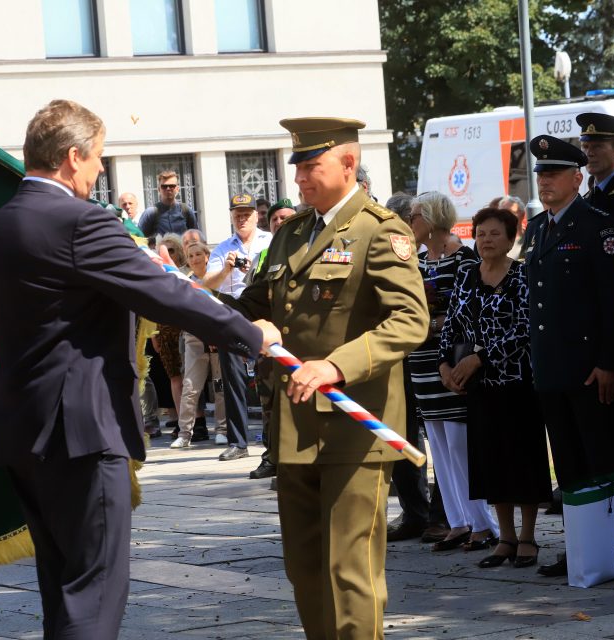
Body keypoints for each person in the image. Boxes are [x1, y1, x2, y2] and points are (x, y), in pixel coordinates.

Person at [0, 99, 279, 639]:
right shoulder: (77, 220)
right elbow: (166, 295)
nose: (100, 171)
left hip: (27, 430)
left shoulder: (3, 221)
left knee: (64, 591)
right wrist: (252, 335)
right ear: (72, 157)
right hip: (81, 432)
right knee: (93, 596)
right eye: (97, 158)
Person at [227, 117, 429, 639]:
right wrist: (191, 298)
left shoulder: (380, 230)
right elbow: (253, 306)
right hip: (293, 428)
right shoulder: (292, 233)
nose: (300, 180)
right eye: (298, 169)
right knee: (305, 568)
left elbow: (410, 320)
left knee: (350, 572)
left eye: (311, 167)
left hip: (353, 427)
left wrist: (336, 365)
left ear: (348, 163)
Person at [523, 135, 614, 579]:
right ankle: (581, 547)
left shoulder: (597, 226)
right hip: (552, 368)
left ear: (577, 177)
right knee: (567, 465)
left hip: (589, 369)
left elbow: (612, 302)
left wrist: (609, 362)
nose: (545, 182)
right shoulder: (537, 228)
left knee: (599, 460)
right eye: (541, 174)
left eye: (553, 174)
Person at [440, 207, 552, 569]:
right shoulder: (466, 275)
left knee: (523, 459)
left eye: (494, 234)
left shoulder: (522, 276)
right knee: (492, 462)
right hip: (479, 389)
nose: (486, 240)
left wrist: (481, 356)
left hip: (517, 383)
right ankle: (504, 537)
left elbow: (527, 327)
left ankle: (527, 537)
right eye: (481, 233)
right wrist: (444, 363)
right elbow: (451, 324)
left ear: (511, 237)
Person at [408, 191, 497, 553]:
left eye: (414, 216)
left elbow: (468, 309)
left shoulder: (463, 258)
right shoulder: (414, 260)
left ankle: (483, 523)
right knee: (439, 448)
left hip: (453, 361)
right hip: (421, 361)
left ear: (431, 218)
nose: (410, 222)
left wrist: (433, 322)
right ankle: (458, 521)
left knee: (461, 447)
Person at [382, 190, 446, 544]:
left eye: (407, 221)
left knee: (442, 440)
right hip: (399, 357)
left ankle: (443, 512)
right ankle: (415, 512)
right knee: (402, 437)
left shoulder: (440, 256)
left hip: (433, 358)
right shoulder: (396, 254)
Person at [202, 193, 273, 460]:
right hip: (234, 310)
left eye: (247, 213)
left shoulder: (271, 241)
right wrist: (227, 270)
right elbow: (207, 283)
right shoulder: (223, 248)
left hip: (264, 313)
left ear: (257, 215)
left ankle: (271, 442)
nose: (242, 218)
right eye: (237, 214)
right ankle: (238, 442)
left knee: (270, 378)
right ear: (232, 217)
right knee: (232, 377)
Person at [248, 197, 297, 479]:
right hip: (268, 343)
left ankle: (288, 457)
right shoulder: (266, 254)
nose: (280, 222)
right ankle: (272, 455)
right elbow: (253, 295)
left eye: (286, 217)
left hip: (295, 345)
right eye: (276, 218)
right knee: (268, 401)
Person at [172, 241, 228, 448]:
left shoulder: (216, 278)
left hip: (217, 338)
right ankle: (185, 433)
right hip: (194, 337)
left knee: (220, 385)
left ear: (207, 256)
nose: (195, 259)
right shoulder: (184, 280)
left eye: (198, 254)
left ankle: (222, 429)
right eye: (190, 255)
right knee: (190, 386)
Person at [152, 234, 187, 439]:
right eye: (163, 251)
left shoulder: (185, 273)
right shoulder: (155, 276)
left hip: (185, 329)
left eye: (171, 250)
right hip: (164, 331)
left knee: (190, 378)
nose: (167, 255)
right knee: (174, 377)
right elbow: (151, 308)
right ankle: (182, 424)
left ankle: (195, 422)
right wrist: (154, 335)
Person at [137, 170, 199, 238]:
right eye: (164, 186)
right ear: (159, 189)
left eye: (172, 186)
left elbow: (195, 237)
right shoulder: (150, 213)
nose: (168, 189)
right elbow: (139, 239)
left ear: (177, 189)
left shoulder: (186, 211)